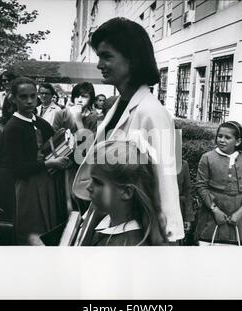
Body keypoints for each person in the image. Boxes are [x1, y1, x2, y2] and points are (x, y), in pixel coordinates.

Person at [72, 17, 184, 243]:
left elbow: (166, 179)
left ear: (132, 59)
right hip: (108, 217)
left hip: (134, 231)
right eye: (99, 57)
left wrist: (169, 237)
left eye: (107, 56)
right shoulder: (118, 105)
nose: (100, 65)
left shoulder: (152, 112)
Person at [2, 77, 69, 245]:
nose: (30, 101)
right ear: (13, 98)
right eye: (23, 97)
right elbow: (17, 168)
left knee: (49, 231)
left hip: (47, 184)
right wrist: (49, 164)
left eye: (33, 96)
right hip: (28, 188)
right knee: (32, 233)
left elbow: (55, 142)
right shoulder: (12, 128)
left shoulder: (41, 123)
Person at [86, 140, 167, 246]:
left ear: (126, 192)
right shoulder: (108, 222)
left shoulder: (126, 246)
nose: (88, 187)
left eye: (97, 182)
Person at [196, 121, 242, 245]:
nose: (222, 140)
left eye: (227, 137)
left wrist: (240, 212)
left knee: (234, 252)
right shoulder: (207, 158)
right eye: (220, 136)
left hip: (238, 215)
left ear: (238, 141)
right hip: (212, 213)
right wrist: (215, 210)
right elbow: (201, 186)